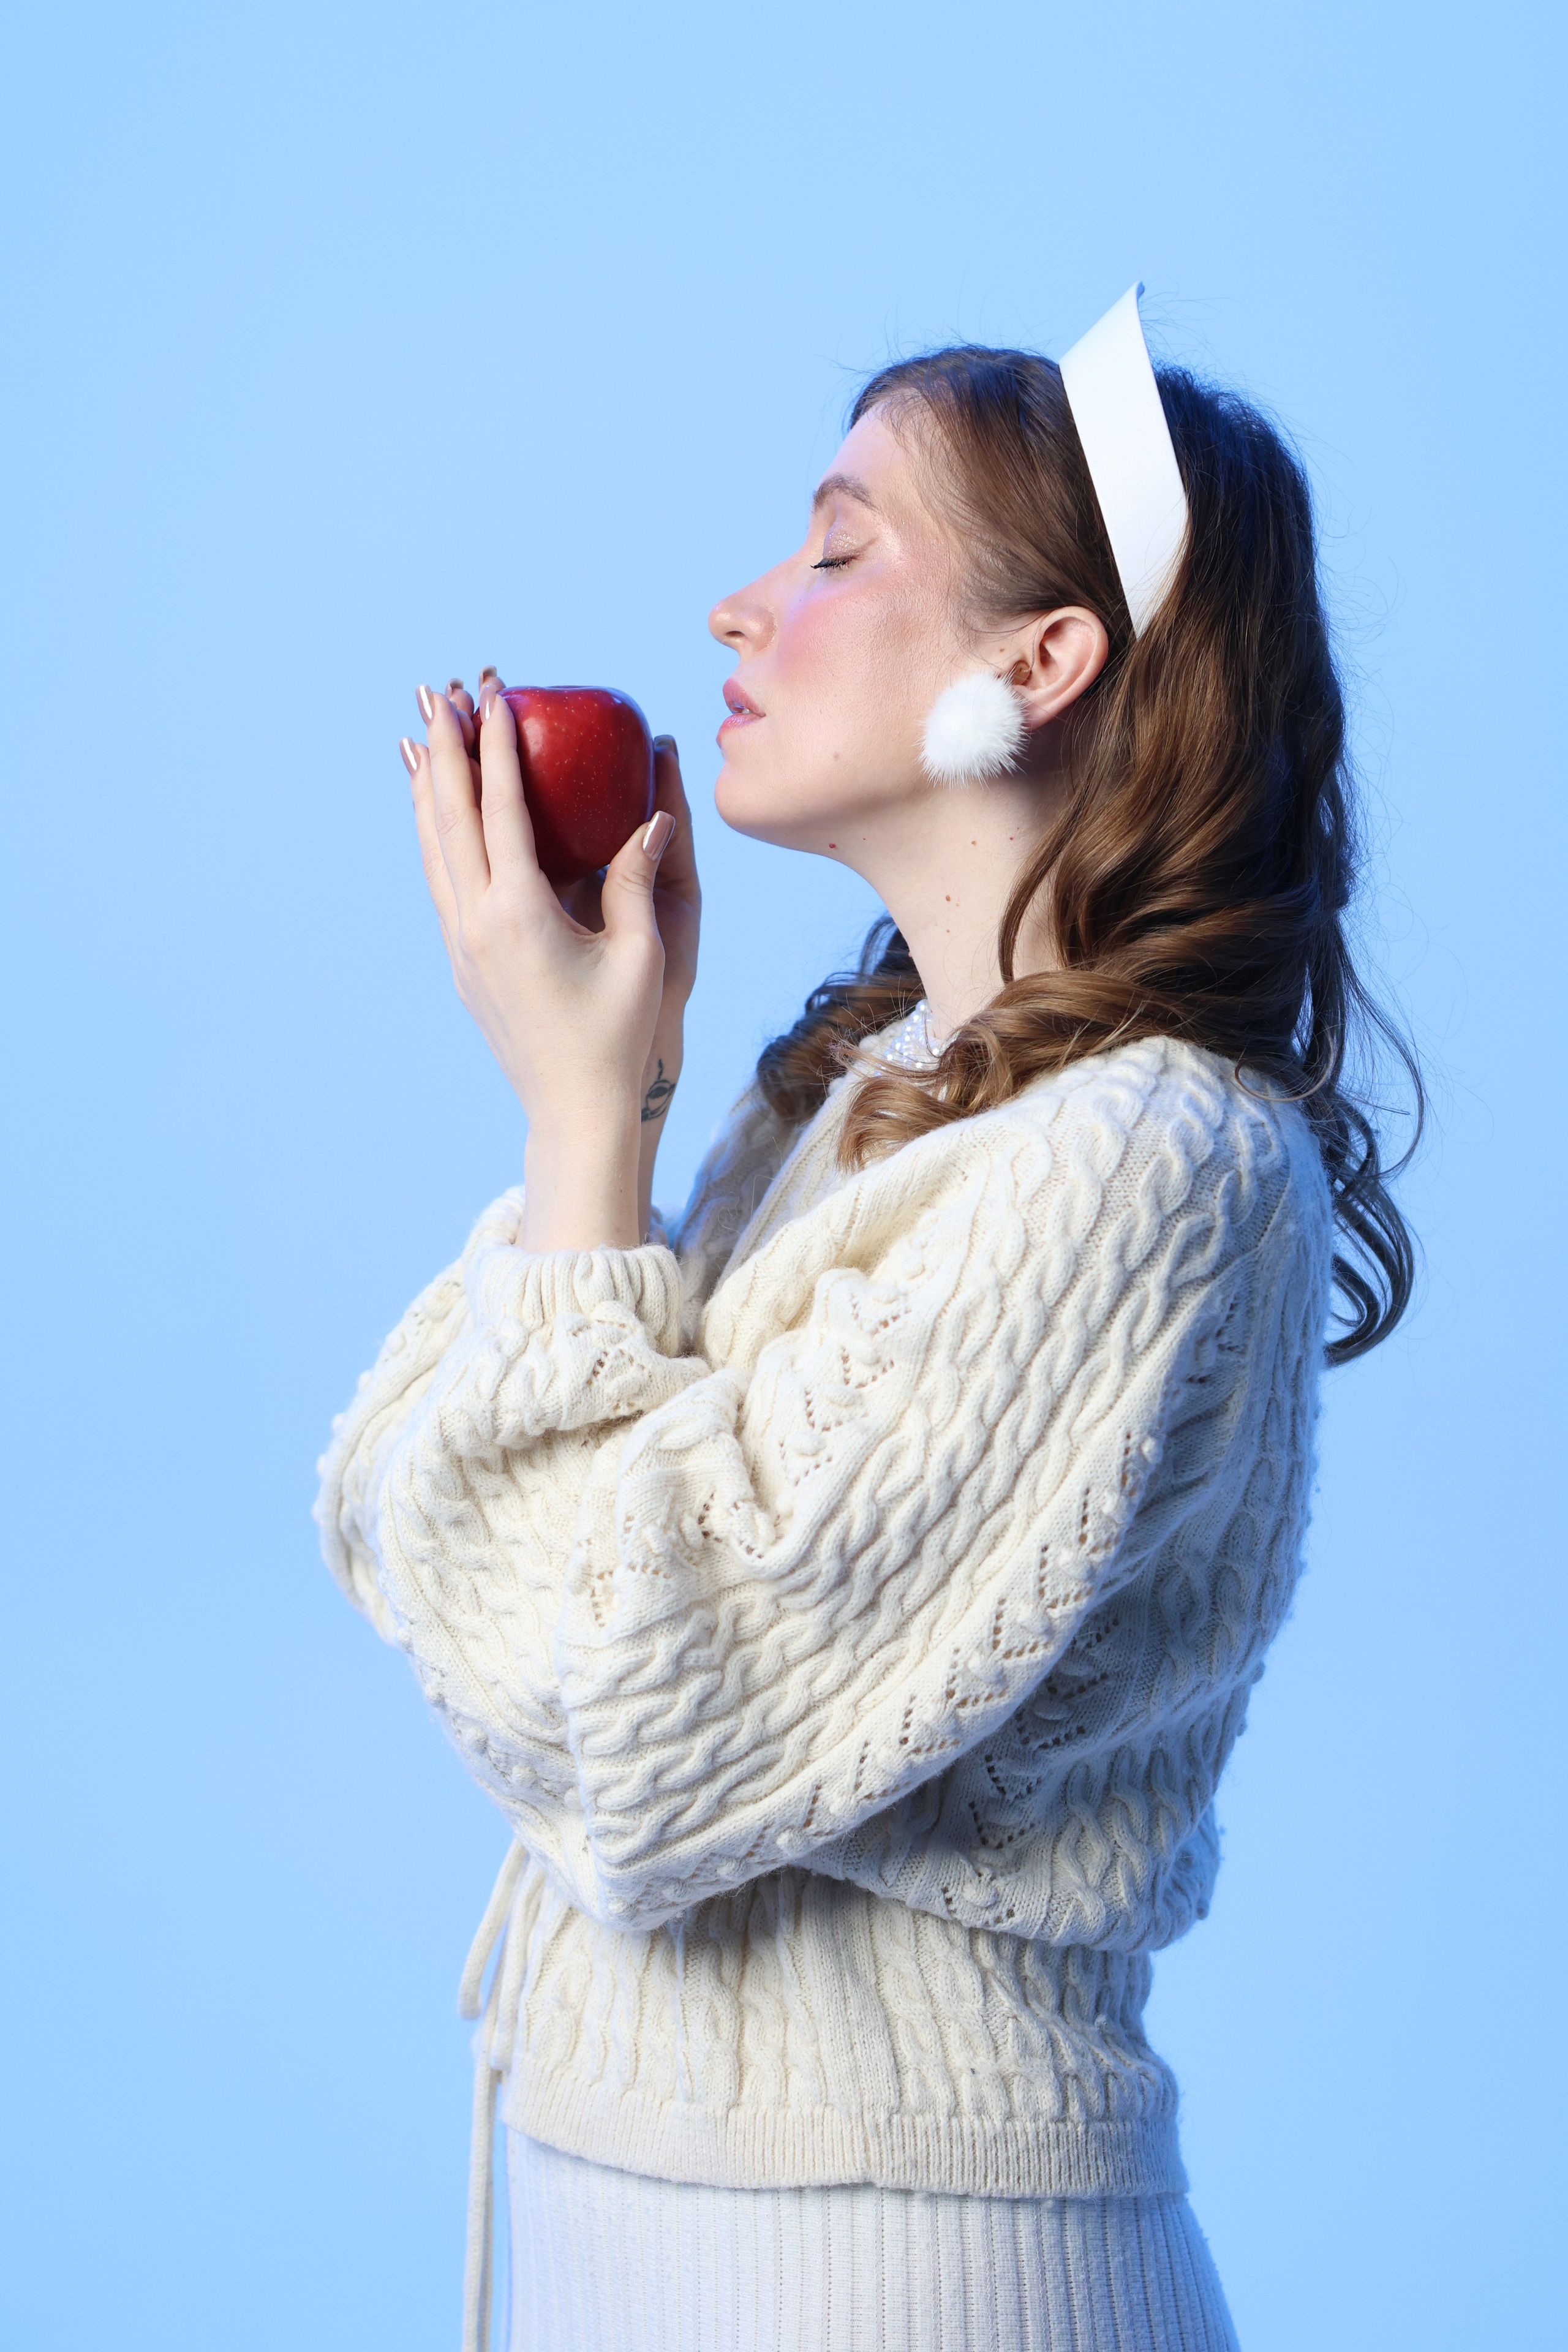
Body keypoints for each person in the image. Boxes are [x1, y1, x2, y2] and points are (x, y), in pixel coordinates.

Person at [317, 291, 1417, 2352]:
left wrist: (576, 1126)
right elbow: (398, 1501)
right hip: (615, 2216)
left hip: (904, 2272)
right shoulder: (845, 1095)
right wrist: (616, 1111)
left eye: (835, 550)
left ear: (1043, 662)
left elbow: (630, 1728)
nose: (741, 608)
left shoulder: (1148, 1164)